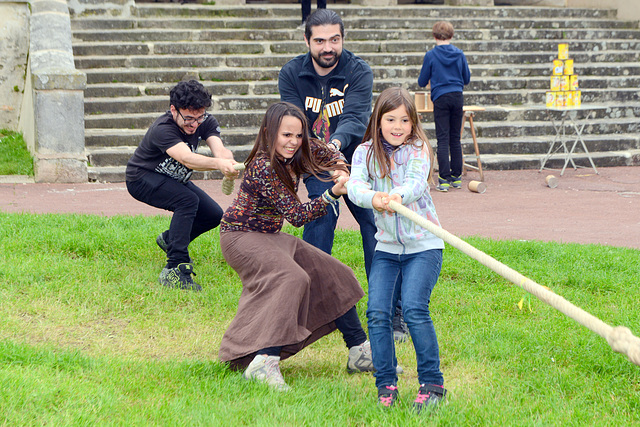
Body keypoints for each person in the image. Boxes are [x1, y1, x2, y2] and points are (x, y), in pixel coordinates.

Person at [218, 102, 378, 391]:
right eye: (285, 135)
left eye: (298, 135)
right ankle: (264, 362)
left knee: (333, 271)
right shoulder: (262, 166)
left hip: (271, 235)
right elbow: (296, 216)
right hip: (240, 236)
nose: (293, 142)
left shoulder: (300, 149)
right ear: (269, 133)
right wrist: (332, 193)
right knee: (292, 277)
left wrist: (341, 169)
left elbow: (329, 151)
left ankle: (360, 352)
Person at [279, 8, 409, 341]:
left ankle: (389, 311)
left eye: (334, 40)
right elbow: (296, 125)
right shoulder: (291, 73)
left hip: (361, 162)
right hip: (316, 165)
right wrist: (325, 158)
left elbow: (354, 118)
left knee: (375, 225)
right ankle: (309, 306)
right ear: (307, 40)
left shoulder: (358, 70)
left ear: (342, 39)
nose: (328, 47)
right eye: (320, 40)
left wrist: (336, 148)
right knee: (320, 221)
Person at [348, 87, 447, 412]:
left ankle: (432, 384)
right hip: (388, 248)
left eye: (405, 119)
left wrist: (397, 196)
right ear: (378, 120)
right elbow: (356, 186)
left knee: (415, 309)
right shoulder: (364, 152)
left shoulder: (419, 149)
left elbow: (417, 183)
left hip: (424, 244)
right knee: (377, 312)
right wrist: (373, 198)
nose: (398, 125)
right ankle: (386, 385)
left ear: (413, 122)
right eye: (391, 119)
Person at [125, 79, 238, 291]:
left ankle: (170, 239)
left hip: (172, 179)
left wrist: (227, 160)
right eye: (188, 118)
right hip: (141, 178)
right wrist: (218, 164)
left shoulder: (204, 120)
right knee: (187, 200)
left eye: (199, 118)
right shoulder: (163, 128)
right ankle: (175, 268)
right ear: (173, 110)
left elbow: (219, 150)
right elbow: (187, 158)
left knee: (213, 214)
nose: (194, 124)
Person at [417, 20, 471, 192]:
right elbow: (467, 79)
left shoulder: (431, 55)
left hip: (440, 97)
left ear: (434, 36)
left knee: (442, 138)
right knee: (455, 138)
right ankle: (456, 176)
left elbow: (421, 81)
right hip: (457, 96)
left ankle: (444, 179)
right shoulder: (460, 54)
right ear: (452, 35)